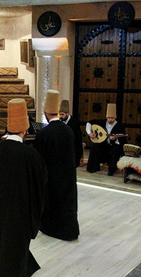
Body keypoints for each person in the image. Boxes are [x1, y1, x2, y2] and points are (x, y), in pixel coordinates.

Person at [0, 98, 47, 277]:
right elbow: (39, 190)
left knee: (10, 245)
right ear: (24, 130)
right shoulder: (31, 155)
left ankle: (24, 270)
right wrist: (36, 219)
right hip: (22, 212)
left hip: (1, 211)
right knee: (11, 250)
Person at [34, 89, 80, 241]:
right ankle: (70, 231)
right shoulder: (68, 130)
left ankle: (52, 229)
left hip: (51, 177)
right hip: (67, 175)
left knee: (52, 204)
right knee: (67, 203)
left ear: (46, 112)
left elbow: (39, 160)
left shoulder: (44, 134)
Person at [86, 103, 127, 176]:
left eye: (112, 118)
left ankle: (111, 170)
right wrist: (89, 133)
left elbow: (122, 139)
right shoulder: (102, 122)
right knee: (94, 147)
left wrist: (115, 139)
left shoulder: (120, 126)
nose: (110, 120)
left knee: (116, 150)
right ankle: (93, 167)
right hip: (103, 144)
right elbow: (89, 123)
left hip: (114, 146)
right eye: (109, 118)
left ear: (115, 117)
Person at [59, 99, 83, 167]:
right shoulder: (60, 121)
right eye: (60, 114)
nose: (61, 116)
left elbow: (77, 138)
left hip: (73, 147)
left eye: (62, 114)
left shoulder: (74, 122)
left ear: (67, 113)